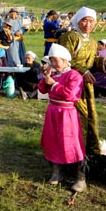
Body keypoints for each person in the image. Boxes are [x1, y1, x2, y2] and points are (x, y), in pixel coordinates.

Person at [37, 43, 86, 193]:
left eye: (55, 60)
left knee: (71, 143)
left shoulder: (74, 75)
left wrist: (54, 84)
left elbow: (71, 95)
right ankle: (57, 172)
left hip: (67, 113)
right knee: (52, 140)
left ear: (65, 60)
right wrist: (46, 77)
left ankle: (80, 177)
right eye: (50, 60)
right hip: (53, 111)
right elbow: (42, 89)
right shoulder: (54, 74)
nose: (53, 64)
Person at [57, 7, 102, 156]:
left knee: (90, 116)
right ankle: (72, 150)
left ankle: (89, 149)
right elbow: (65, 58)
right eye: (84, 20)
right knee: (77, 116)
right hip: (70, 83)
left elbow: (91, 60)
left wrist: (102, 63)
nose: (88, 25)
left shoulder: (93, 41)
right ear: (78, 20)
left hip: (86, 86)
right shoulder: (70, 37)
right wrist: (84, 71)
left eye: (91, 21)